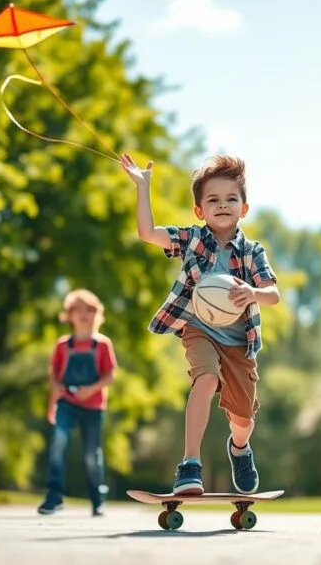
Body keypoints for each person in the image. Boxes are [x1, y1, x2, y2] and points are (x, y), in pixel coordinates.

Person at [120, 152, 280, 496]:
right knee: (205, 378)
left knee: (243, 419)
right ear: (199, 211)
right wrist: (143, 187)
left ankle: (239, 448)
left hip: (239, 342)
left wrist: (252, 292)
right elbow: (148, 233)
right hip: (198, 329)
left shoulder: (253, 251)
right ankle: (190, 464)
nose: (222, 205)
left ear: (244, 208)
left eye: (231, 199)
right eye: (213, 200)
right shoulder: (192, 239)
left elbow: (273, 295)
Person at [38, 288, 118, 517]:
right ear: (69, 315)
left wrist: (90, 390)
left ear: (97, 314)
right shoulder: (63, 345)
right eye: (78, 310)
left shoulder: (102, 344)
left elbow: (110, 375)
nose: (84, 314)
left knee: (92, 455)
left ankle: (97, 499)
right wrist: (52, 404)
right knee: (58, 444)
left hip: (93, 407)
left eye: (90, 310)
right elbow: (54, 377)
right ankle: (54, 497)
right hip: (66, 404)